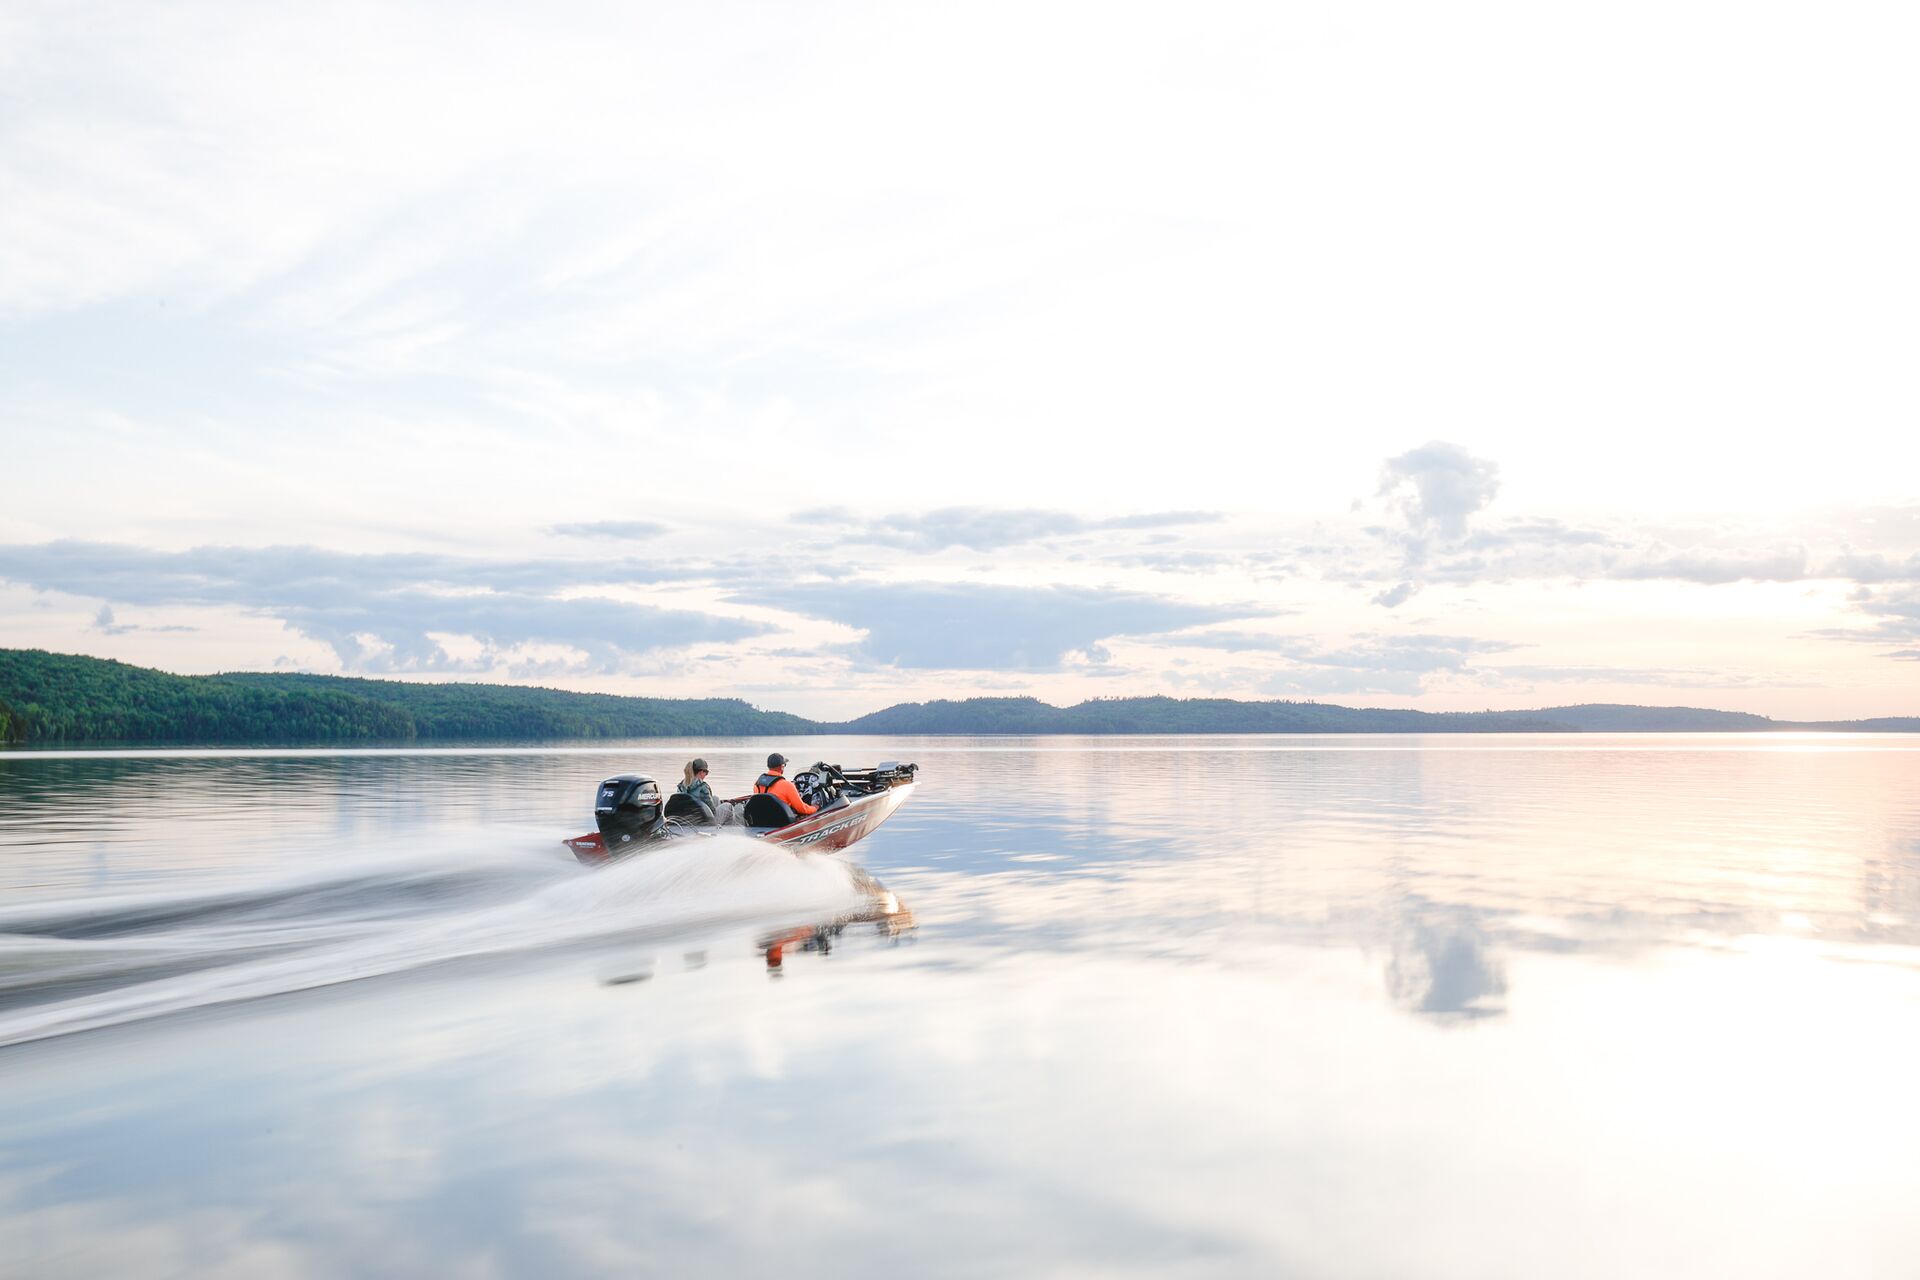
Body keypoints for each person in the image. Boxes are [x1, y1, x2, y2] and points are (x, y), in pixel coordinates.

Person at [753, 752, 817, 817]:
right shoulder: (788, 786)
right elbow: (802, 809)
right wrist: (814, 808)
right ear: (782, 767)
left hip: (763, 817)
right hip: (781, 820)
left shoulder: (757, 783)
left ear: (768, 766)